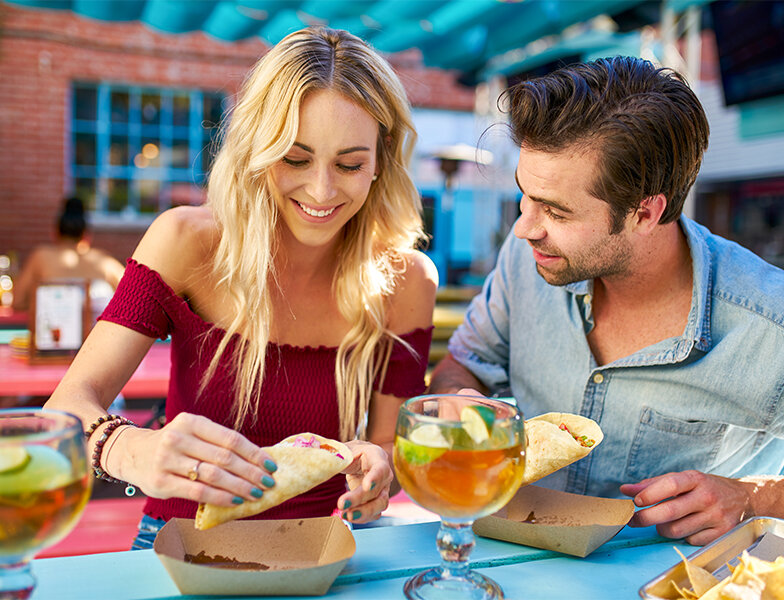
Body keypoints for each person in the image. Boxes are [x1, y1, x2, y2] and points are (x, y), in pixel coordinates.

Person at [45, 27, 437, 547]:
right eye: (294, 159)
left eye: (349, 164)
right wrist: (134, 450)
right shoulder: (186, 240)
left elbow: (388, 445)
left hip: (324, 552)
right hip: (181, 542)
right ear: (258, 145)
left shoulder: (408, 279)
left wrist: (380, 468)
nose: (321, 191)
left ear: (381, 158)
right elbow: (66, 404)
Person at [429, 56, 784, 546]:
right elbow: (464, 364)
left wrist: (751, 497)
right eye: (525, 197)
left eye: (554, 210)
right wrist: (458, 401)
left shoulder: (770, 324)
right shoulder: (524, 260)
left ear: (645, 213)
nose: (523, 228)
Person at [12, 196, 125, 313]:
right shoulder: (104, 261)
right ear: (86, 236)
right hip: (97, 330)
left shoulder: (40, 257)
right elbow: (134, 296)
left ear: (54, 233)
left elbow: (18, 301)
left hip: (53, 330)